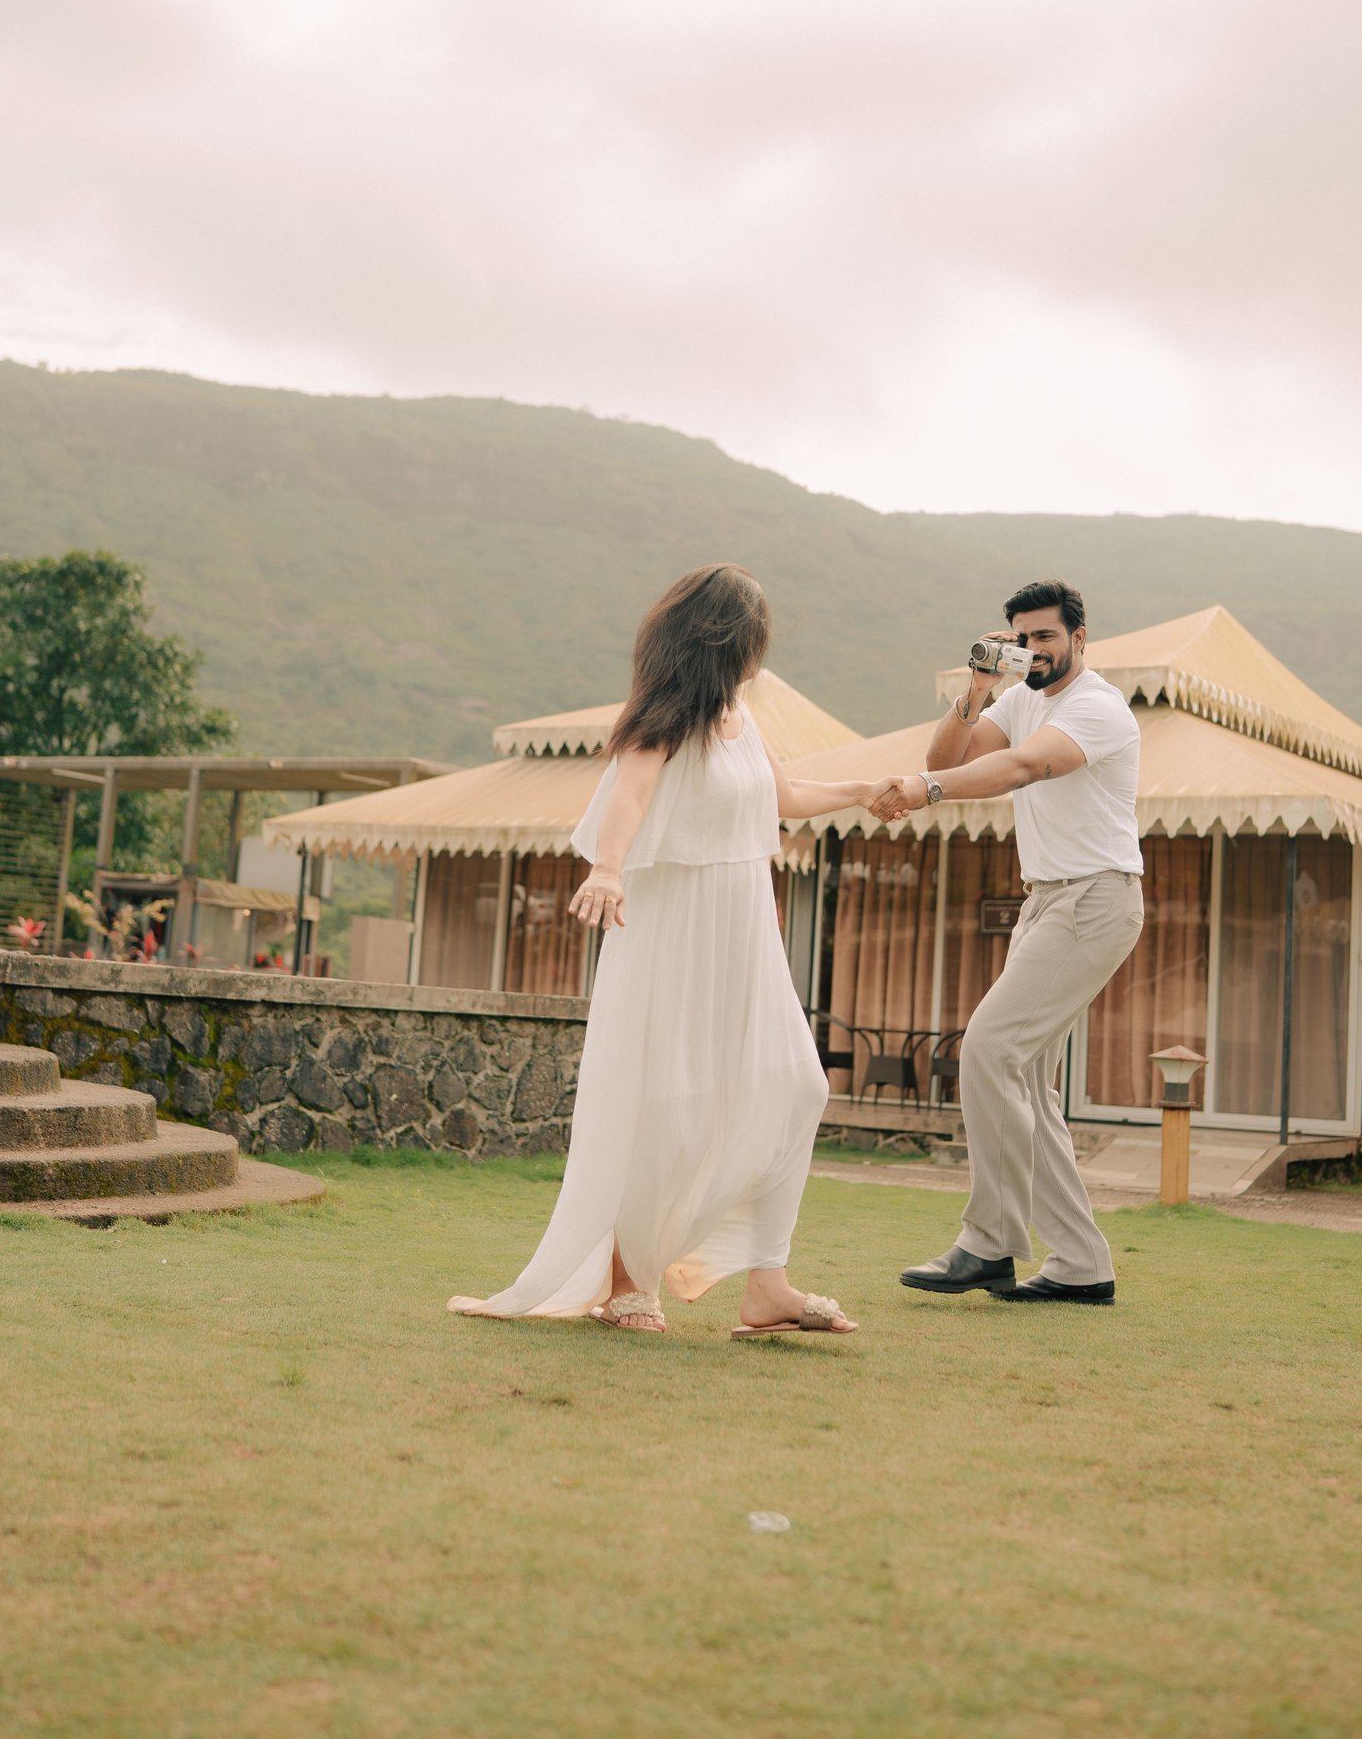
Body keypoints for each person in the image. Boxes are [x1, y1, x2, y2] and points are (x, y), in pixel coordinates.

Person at [447, 564, 880, 1339]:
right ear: (728, 640)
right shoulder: (661, 717)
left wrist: (863, 790)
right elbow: (631, 795)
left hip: (743, 931)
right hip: (672, 929)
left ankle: (767, 1286)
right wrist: (607, 869)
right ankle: (627, 1283)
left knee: (798, 1085)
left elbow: (785, 798)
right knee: (663, 1104)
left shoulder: (743, 720)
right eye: (754, 637)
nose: (759, 653)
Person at [870, 579, 1143, 1306]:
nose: (1033, 650)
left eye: (1045, 637)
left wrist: (926, 790)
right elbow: (949, 756)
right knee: (1022, 1081)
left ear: (1079, 638)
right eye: (1021, 639)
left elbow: (1019, 768)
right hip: (1046, 900)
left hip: (1095, 898)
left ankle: (989, 1243)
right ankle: (1081, 1265)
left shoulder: (1097, 706)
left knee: (990, 1049)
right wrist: (978, 689)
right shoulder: (1020, 699)